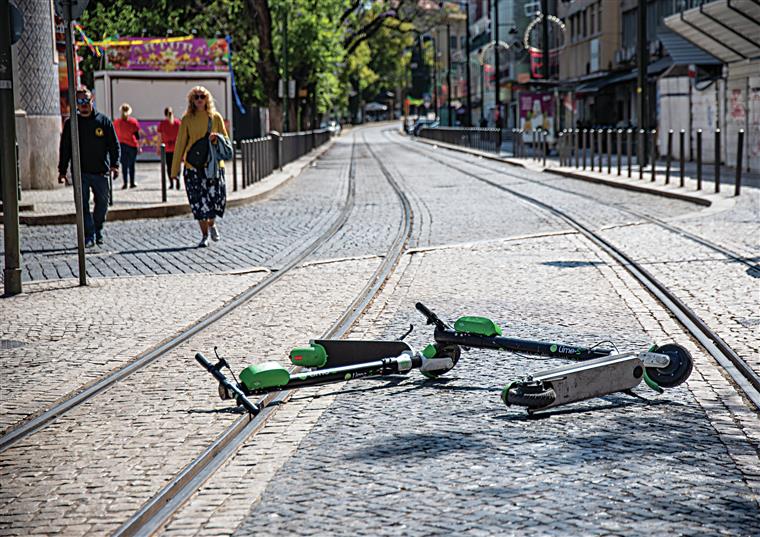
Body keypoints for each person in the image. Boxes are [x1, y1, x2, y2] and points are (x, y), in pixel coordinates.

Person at [58, 87, 120, 247]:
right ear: (76, 104)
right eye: (80, 101)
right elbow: (65, 148)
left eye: (86, 100)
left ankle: (97, 227)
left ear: (92, 100)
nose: (84, 104)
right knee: (82, 205)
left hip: (101, 171)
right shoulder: (71, 123)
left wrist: (115, 164)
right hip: (81, 173)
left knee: (103, 203)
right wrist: (62, 171)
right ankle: (89, 234)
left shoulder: (104, 121)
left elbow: (114, 144)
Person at [170, 86, 229, 248]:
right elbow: (180, 144)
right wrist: (174, 170)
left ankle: (211, 224)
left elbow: (226, 141)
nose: (199, 100)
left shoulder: (215, 117)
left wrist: (217, 139)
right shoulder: (187, 119)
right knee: (198, 204)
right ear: (192, 101)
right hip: (193, 168)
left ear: (207, 99)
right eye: (196, 97)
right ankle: (204, 235)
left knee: (214, 200)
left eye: (202, 96)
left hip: (213, 167)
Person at [114, 102, 140, 189]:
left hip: (121, 145)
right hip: (132, 146)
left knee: (124, 165)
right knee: (131, 165)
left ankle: (125, 183)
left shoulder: (117, 122)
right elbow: (137, 136)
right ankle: (132, 182)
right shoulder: (133, 122)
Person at [157, 106, 181, 189]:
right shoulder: (178, 123)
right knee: (177, 165)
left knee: (169, 166)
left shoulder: (162, 124)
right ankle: (177, 178)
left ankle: (171, 183)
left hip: (166, 148)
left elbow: (159, 137)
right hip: (177, 148)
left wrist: (158, 148)